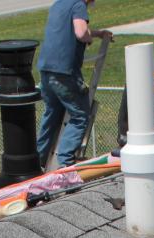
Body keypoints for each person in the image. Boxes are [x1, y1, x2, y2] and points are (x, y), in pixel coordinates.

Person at [35, 0, 112, 169]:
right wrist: (88, 38)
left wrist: (99, 34)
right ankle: (65, 164)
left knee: (51, 113)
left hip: (46, 70)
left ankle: (37, 161)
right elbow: (80, 31)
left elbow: (69, 30)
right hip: (64, 72)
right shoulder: (78, 5)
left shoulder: (58, 5)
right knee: (80, 116)